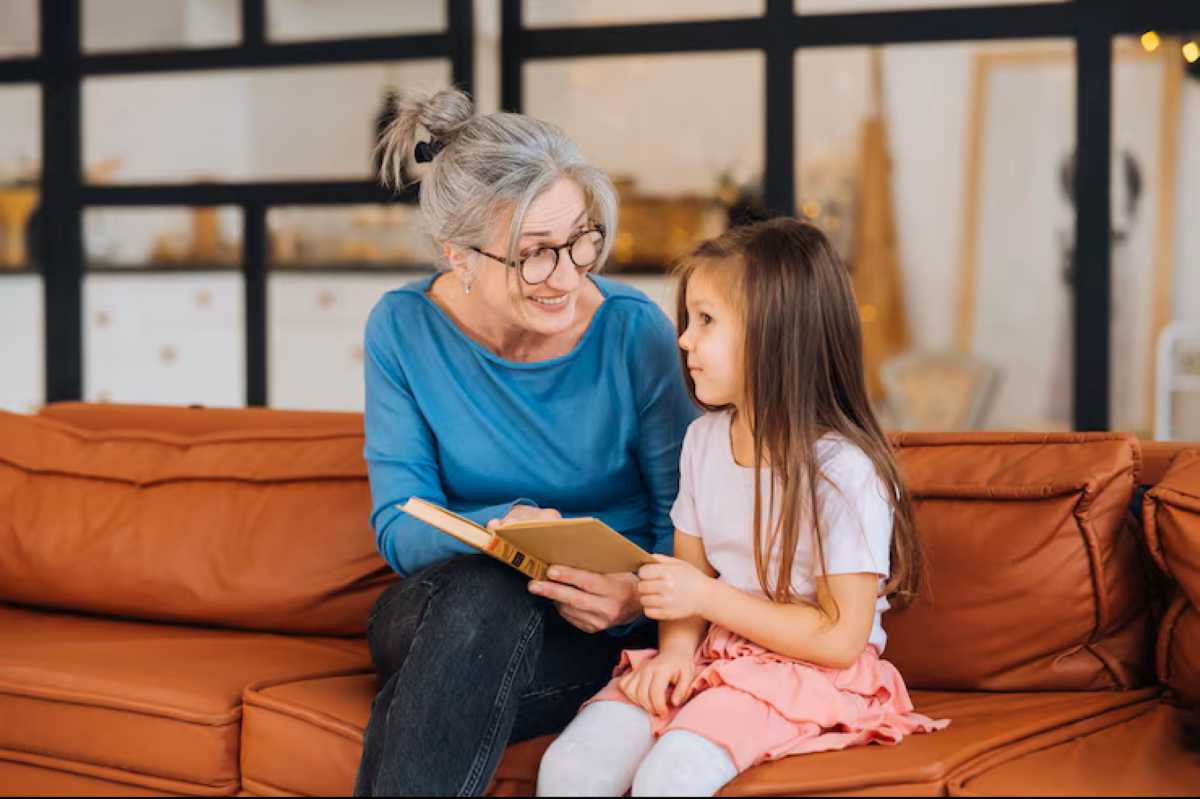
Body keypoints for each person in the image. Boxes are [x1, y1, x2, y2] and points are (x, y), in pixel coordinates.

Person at [354, 87, 698, 796]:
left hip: (593, 630)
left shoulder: (633, 332)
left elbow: (686, 515)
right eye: (536, 254)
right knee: (487, 590)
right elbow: (398, 522)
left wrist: (635, 596)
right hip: (435, 606)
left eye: (581, 240)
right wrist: (506, 532)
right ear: (461, 257)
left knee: (450, 671)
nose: (568, 276)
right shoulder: (402, 329)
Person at [537, 218, 949, 797]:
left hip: (809, 672)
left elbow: (839, 638)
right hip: (713, 654)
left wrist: (707, 600)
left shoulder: (845, 472)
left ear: (776, 334)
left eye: (706, 321)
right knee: (570, 766)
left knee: (671, 777)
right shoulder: (703, 442)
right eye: (689, 320)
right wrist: (675, 653)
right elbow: (687, 579)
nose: (683, 340)